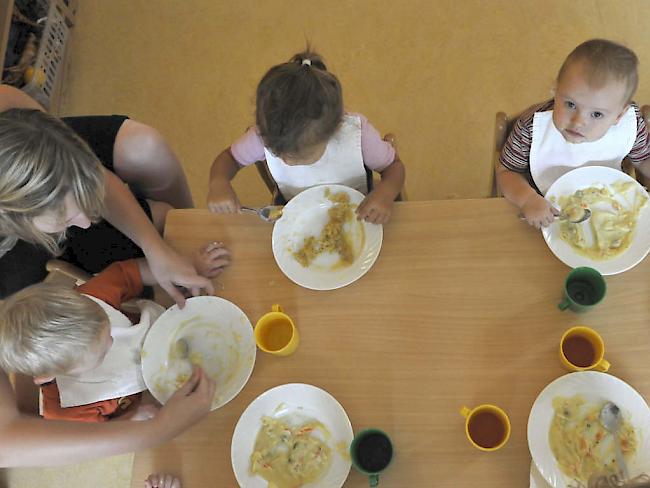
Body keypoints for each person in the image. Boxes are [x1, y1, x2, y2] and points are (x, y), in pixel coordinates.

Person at [0, 84, 220, 305]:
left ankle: (188, 235)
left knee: (159, 203)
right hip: (14, 258)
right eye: (66, 218)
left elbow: (90, 175)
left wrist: (156, 250)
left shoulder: (7, 102)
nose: (87, 223)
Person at [0, 246, 226, 422]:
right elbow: (107, 432)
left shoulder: (90, 297)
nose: (112, 340)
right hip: (156, 400)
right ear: (48, 375)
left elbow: (129, 273)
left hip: (171, 327)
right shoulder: (66, 410)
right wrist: (133, 417)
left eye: (107, 329)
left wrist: (182, 270)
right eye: (101, 353)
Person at [207, 48, 405, 225]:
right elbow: (229, 158)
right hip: (297, 214)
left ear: (333, 132)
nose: (285, 160)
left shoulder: (356, 134)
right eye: (277, 152)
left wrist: (386, 193)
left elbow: (394, 167)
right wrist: (219, 182)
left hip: (358, 209)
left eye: (296, 155)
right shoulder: (262, 136)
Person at [496, 39, 650, 228]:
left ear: (619, 115)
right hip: (544, 210)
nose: (578, 123)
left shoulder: (631, 126)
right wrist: (527, 200)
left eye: (596, 114)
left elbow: (643, 160)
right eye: (570, 104)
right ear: (556, 89)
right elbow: (506, 171)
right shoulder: (530, 128)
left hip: (608, 206)